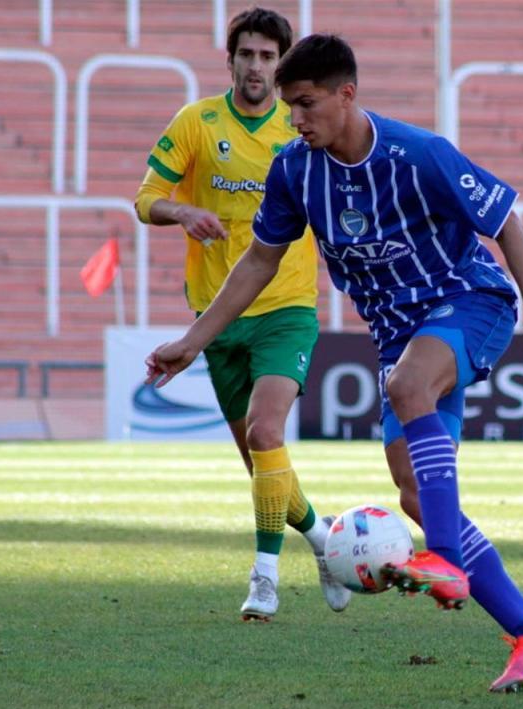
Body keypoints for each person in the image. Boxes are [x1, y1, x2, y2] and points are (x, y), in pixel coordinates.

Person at [146, 33, 523, 693]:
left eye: (307, 104)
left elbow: (507, 221)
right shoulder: (295, 169)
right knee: (415, 493)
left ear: (347, 95)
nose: (295, 119)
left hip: (470, 302)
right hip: (399, 334)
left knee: (410, 390)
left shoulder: (419, 154)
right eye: (291, 107)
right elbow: (260, 259)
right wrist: (194, 338)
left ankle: (448, 562)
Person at [134, 8, 350, 622]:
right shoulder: (197, 123)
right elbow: (146, 198)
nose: (256, 67)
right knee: (262, 464)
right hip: (217, 315)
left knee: (265, 433)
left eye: (267, 57)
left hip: (286, 308)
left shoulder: (300, 124)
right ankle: (325, 541)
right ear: (229, 59)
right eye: (247, 55)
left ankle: (264, 580)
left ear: (280, 64)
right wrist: (180, 213)